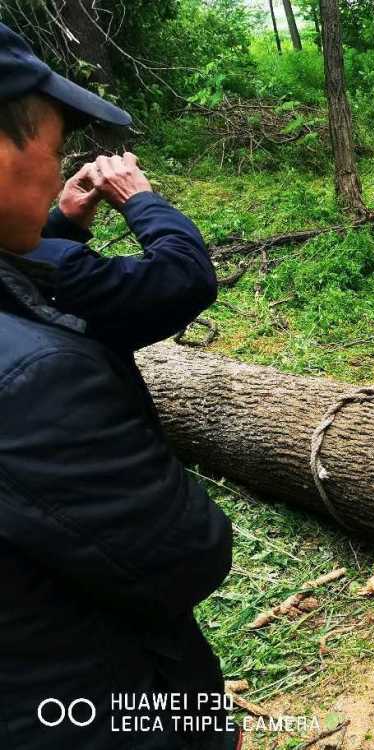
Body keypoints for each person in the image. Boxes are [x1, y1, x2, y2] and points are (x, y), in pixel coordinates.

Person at [0, 23, 239, 750]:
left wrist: (60, 222)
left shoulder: (37, 266)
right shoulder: (36, 381)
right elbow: (189, 553)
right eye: (52, 143)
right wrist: (138, 197)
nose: (55, 166)